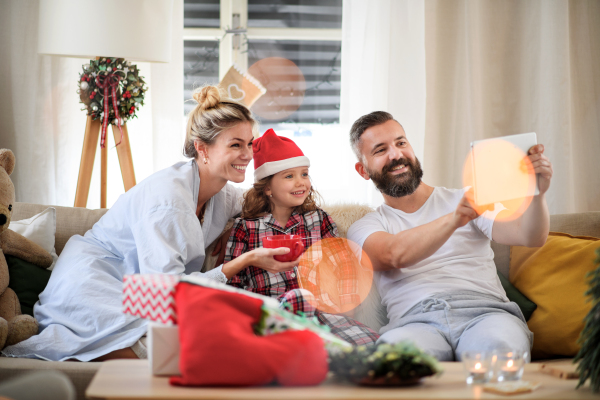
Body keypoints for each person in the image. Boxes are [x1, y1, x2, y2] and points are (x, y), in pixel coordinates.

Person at [2, 86, 300, 362]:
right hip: (93, 286)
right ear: (203, 149)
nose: (248, 155)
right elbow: (164, 291)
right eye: (236, 145)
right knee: (177, 349)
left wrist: (284, 190)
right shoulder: (168, 202)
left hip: (138, 287)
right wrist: (241, 262)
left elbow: (253, 204)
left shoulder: (220, 193)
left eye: (250, 144)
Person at [347, 111, 553, 361]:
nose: (396, 155)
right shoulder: (365, 226)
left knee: (499, 354)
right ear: (363, 170)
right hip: (414, 323)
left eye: (401, 143)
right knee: (395, 364)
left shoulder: (466, 199)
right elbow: (392, 254)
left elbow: (529, 237)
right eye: (380, 150)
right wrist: (455, 219)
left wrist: (536, 195)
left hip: (486, 314)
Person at [224, 129, 379, 346]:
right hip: (271, 316)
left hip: (320, 313)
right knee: (297, 302)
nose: (301, 182)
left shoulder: (318, 219)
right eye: (289, 176)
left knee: (373, 345)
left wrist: (346, 305)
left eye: (304, 174)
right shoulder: (246, 228)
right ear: (267, 187)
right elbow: (233, 285)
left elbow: (343, 262)